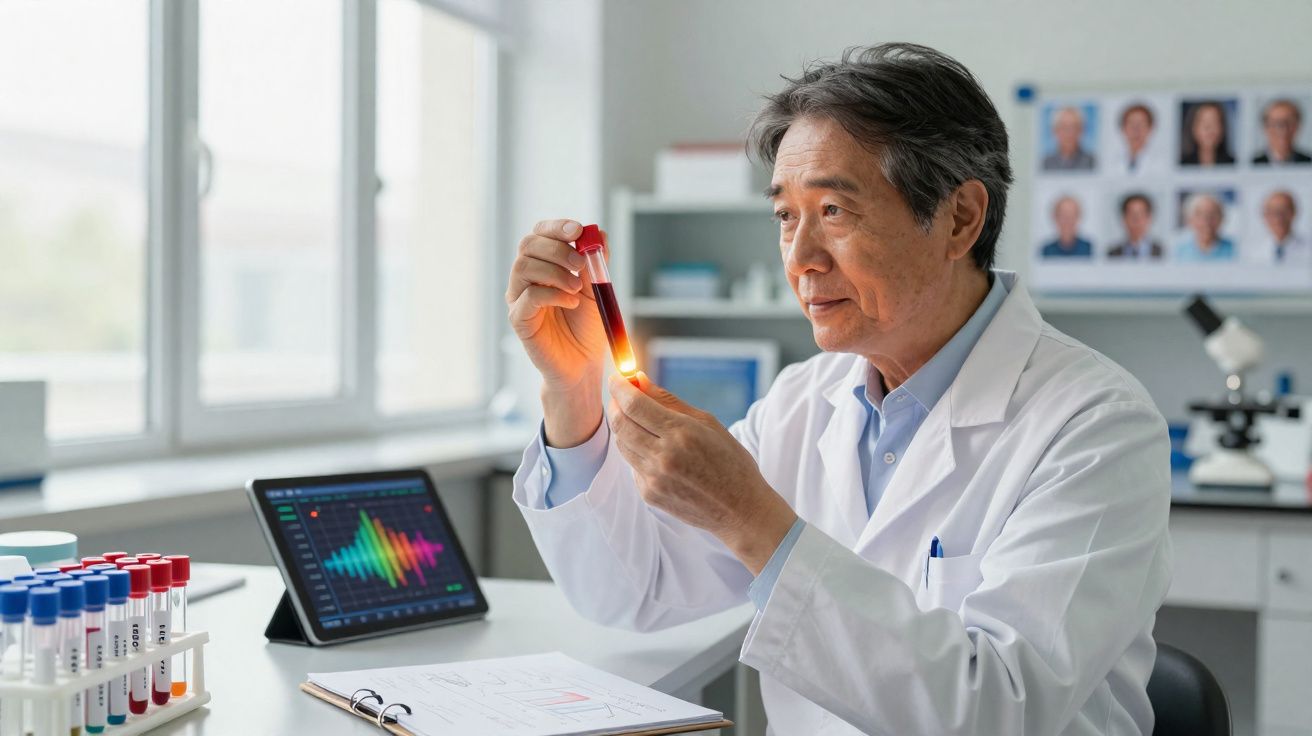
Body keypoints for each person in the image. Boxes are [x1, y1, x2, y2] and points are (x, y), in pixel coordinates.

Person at [506, 43, 1170, 736]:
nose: (800, 259)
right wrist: (573, 390)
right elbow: (635, 592)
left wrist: (751, 518)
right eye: (786, 216)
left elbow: (997, 710)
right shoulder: (804, 400)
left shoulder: (1097, 426)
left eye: (832, 211)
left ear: (960, 219)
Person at [1176, 193, 1236, 261]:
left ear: (1221, 219)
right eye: (1199, 214)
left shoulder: (1234, 250)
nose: (1206, 220)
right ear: (1189, 220)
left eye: (1212, 214)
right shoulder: (1179, 252)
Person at [1253, 99, 1312, 165]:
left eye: (1289, 122)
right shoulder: (1253, 163)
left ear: (1298, 126)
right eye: (1276, 123)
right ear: (1265, 127)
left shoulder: (1308, 162)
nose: (1283, 129)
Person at [1107, 194, 1163, 260]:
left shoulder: (1162, 252)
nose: (1136, 220)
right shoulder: (1112, 253)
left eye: (1141, 214)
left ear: (1149, 218)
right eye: (1132, 215)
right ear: (1123, 218)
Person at [1261, 190, 1310, 265]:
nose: (1278, 218)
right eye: (1272, 212)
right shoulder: (1252, 253)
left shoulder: (1308, 249)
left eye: (1283, 211)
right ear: (1265, 216)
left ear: (1294, 213)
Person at [1180, 101, 1235, 166]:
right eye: (1204, 122)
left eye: (1214, 122)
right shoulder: (1183, 164)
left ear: (1222, 127)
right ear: (1193, 128)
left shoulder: (1232, 163)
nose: (1209, 128)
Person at [1042, 106, 1096, 170]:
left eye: (1074, 127)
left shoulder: (1092, 162)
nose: (1069, 133)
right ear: (1055, 131)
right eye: (1064, 127)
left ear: (1081, 130)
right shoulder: (1046, 163)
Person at [1119, 103, 1156, 173]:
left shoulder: (1160, 163)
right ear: (1123, 128)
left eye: (1141, 124)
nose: (1136, 129)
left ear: (1150, 128)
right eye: (1131, 123)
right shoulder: (1111, 162)